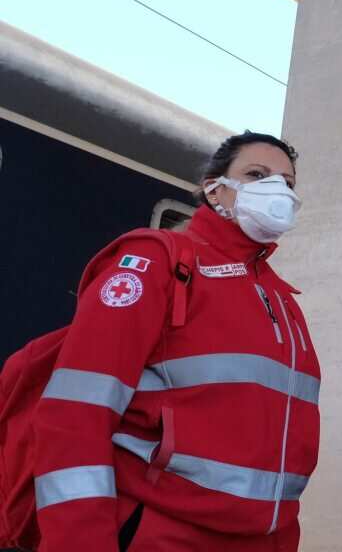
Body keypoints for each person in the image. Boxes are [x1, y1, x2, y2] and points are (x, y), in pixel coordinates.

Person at [31, 132, 319, 551]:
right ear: (214, 188)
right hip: (162, 534)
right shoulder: (156, 262)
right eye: (256, 174)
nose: (276, 189)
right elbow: (75, 413)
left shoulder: (281, 299)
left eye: (287, 182)